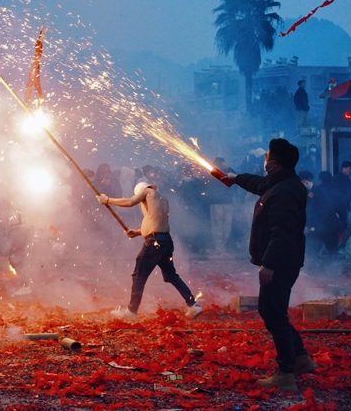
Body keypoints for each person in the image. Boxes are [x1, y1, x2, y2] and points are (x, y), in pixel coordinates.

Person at [226, 138, 316, 392]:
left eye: (266, 157)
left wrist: (269, 264)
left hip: (281, 263)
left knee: (274, 314)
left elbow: (283, 233)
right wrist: (235, 178)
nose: (263, 161)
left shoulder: (284, 192)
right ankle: (300, 359)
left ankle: (286, 373)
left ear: (273, 164)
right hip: (284, 261)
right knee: (272, 311)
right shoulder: (283, 183)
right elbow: (259, 184)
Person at [97, 181, 202, 319]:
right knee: (171, 275)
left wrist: (107, 200)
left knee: (138, 276)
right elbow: (156, 221)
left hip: (155, 242)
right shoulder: (162, 199)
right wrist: (137, 232)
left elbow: (129, 202)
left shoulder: (148, 192)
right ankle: (193, 305)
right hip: (165, 240)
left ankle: (131, 311)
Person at [209, 157, 236, 255]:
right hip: (216, 203)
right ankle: (220, 249)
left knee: (226, 227)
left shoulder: (229, 171)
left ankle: (223, 247)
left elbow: (235, 178)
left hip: (228, 203)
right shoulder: (212, 172)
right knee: (218, 227)